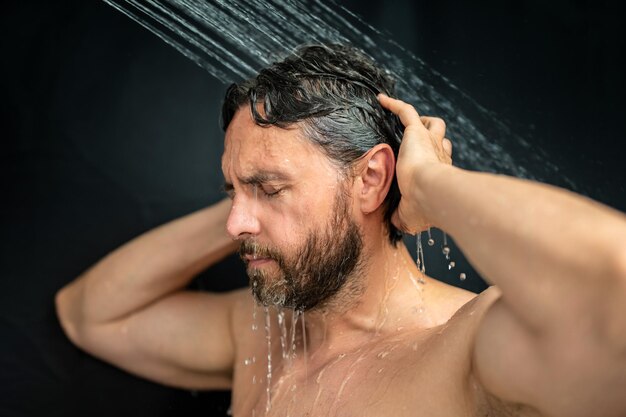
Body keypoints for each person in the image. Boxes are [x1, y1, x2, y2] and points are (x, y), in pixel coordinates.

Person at [55, 44, 626, 417]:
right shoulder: (264, 335)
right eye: (232, 191)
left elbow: (611, 291)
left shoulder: (464, 350)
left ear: (373, 178)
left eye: (272, 188)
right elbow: (90, 313)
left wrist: (429, 187)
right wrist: (251, 190)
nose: (234, 225)